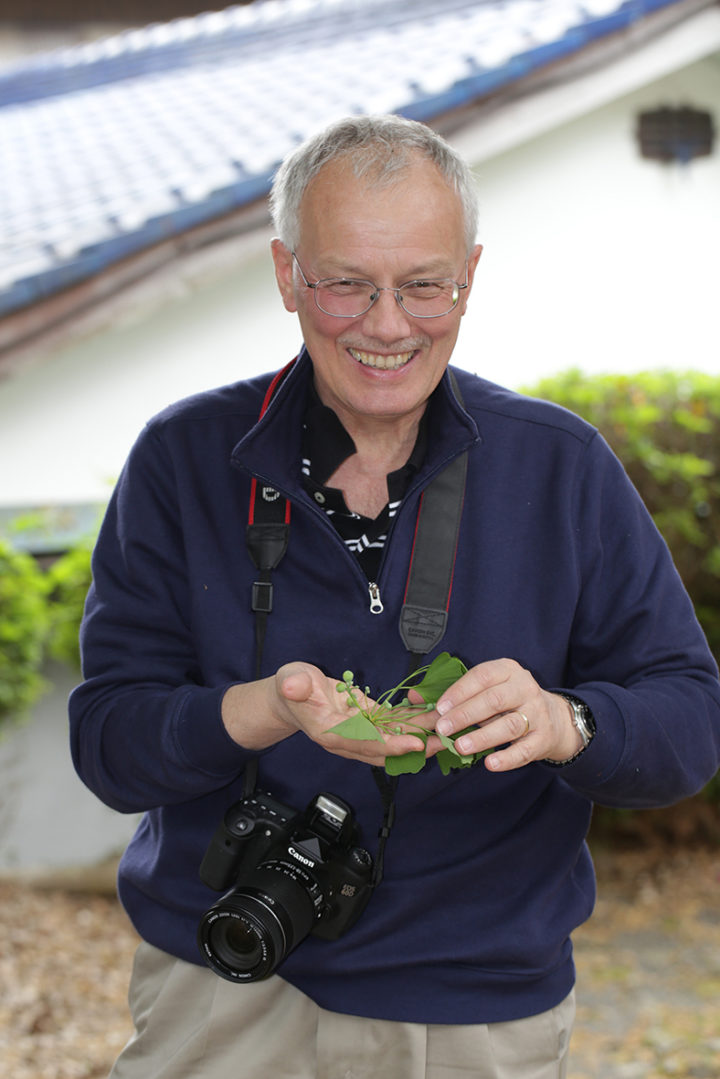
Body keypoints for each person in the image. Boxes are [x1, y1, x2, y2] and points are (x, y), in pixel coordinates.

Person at [70, 114, 720, 1079]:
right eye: (346, 284)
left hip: (475, 1007)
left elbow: (689, 721)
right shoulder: (183, 458)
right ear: (289, 275)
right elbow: (109, 746)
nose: (388, 325)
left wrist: (567, 720)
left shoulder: (560, 465)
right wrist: (262, 712)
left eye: (424, 285)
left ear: (471, 275)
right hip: (228, 976)